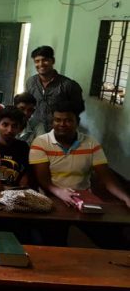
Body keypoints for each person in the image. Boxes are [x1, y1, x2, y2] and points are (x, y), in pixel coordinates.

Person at [30, 101, 130, 247]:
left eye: (68, 120)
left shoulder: (90, 143)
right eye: (57, 120)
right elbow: (43, 180)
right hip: (52, 200)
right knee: (54, 244)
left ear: (77, 122)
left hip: (84, 200)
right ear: (52, 122)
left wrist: (126, 198)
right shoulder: (41, 143)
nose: (62, 124)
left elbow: (107, 178)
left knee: (113, 240)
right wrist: (60, 192)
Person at [25, 46, 84, 131]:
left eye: (45, 60)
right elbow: (27, 105)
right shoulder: (31, 82)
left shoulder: (68, 85)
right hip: (36, 129)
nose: (41, 64)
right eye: (37, 61)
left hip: (60, 131)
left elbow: (78, 108)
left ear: (53, 61)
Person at [0, 107, 31, 188]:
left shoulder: (23, 147)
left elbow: (26, 173)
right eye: (5, 125)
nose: (10, 130)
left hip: (13, 192)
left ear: (20, 129)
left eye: (14, 126)